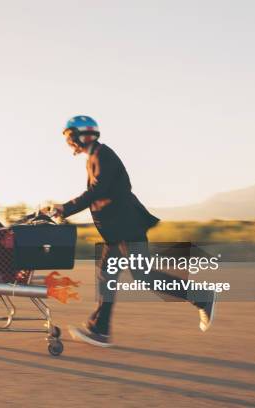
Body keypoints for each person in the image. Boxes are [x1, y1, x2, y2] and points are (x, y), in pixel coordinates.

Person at [48, 115, 217, 347]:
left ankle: (202, 297)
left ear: (82, 135)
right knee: (107, 275)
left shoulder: (102, 154)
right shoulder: (95, 157)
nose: (69, 142)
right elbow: (98, 193)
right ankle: (100, 329)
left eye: (70, 137)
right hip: (116, 231)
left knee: (143, 276)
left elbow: (97, 191)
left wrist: (65, 208)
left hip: (127, 227)